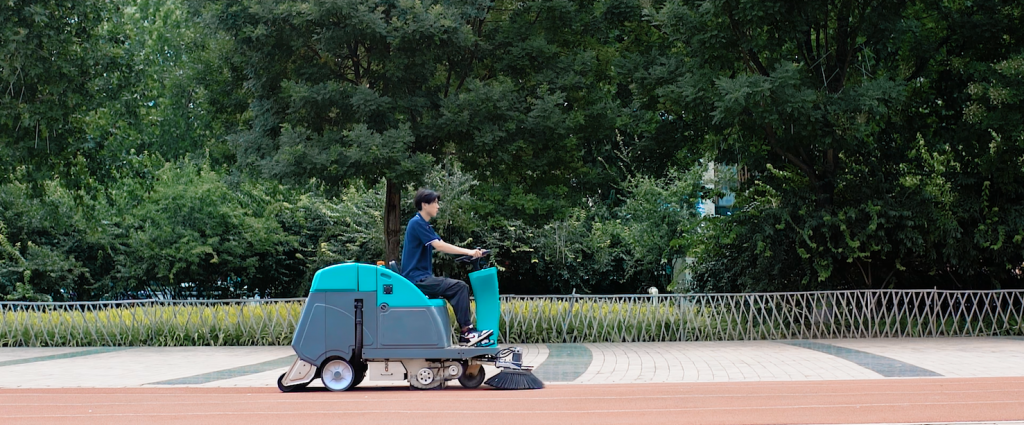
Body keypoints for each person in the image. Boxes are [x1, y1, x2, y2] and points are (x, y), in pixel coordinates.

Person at [400, 189, 493, 346]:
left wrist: (471, 253)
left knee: (455, 287)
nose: (438, 206)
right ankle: (467, 333)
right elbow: (440, 246)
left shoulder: (423, 224)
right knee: (459, 287)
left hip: (419, 277)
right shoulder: (417, 223)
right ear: (424, 204)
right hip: (417, 279)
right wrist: (470, 251)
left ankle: (467, 331)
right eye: (435, 203)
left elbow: (440, 243)